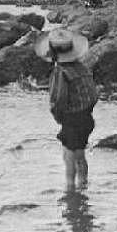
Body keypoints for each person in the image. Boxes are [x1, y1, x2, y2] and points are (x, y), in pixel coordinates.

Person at [35, 29, 98, 189]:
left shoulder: (60, 72)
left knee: (69, 155)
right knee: (80, 154)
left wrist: (58, 116)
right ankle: (83, 184)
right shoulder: (82, 68)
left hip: (71, 119)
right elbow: (93, 94)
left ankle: (70, 189)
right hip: (87, 118)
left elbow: (58, 99)